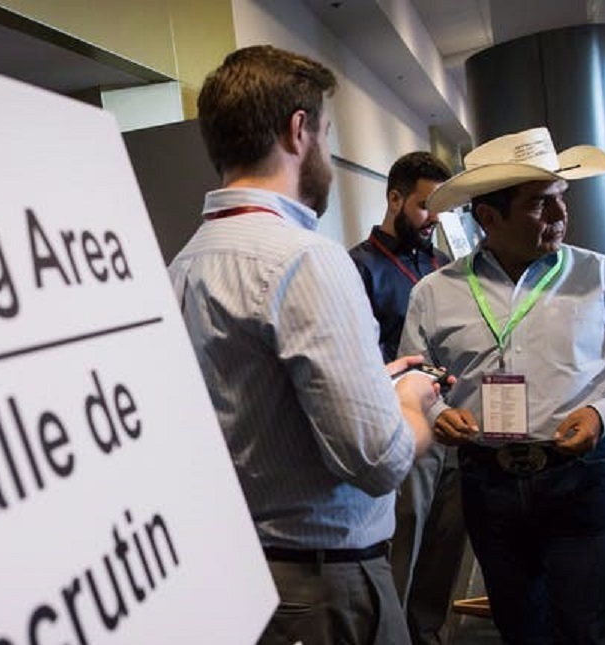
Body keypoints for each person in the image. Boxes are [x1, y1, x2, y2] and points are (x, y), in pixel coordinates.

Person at [168, 45, 437, 645]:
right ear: (299, 130)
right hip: (325, 592)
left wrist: (370, 377)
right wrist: (413, 404)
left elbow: (248, 402)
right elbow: (378, 460)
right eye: (327, 132)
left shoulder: (183, 261)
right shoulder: (307, 259)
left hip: (243, 573)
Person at [399, 126, 605, 643]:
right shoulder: (435, 293)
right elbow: (417, 374)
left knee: (585, 628)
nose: (560, 216)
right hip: (486, 481)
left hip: (580, 477)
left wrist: (599, 415)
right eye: (540, 204)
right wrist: (436, 414)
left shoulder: (604, 277)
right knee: (519, 626)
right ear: (488, 218)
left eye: (561, 200)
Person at [349, 152, 465, 645]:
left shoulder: (444, 266)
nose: (434, 218)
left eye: (440, 207)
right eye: (423, 205)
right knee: (404, 545)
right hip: (402, 431)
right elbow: (358, 360)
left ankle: (428, 631)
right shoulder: (359, 268)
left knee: (446, 543)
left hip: (454, 425)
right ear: (394, 197)